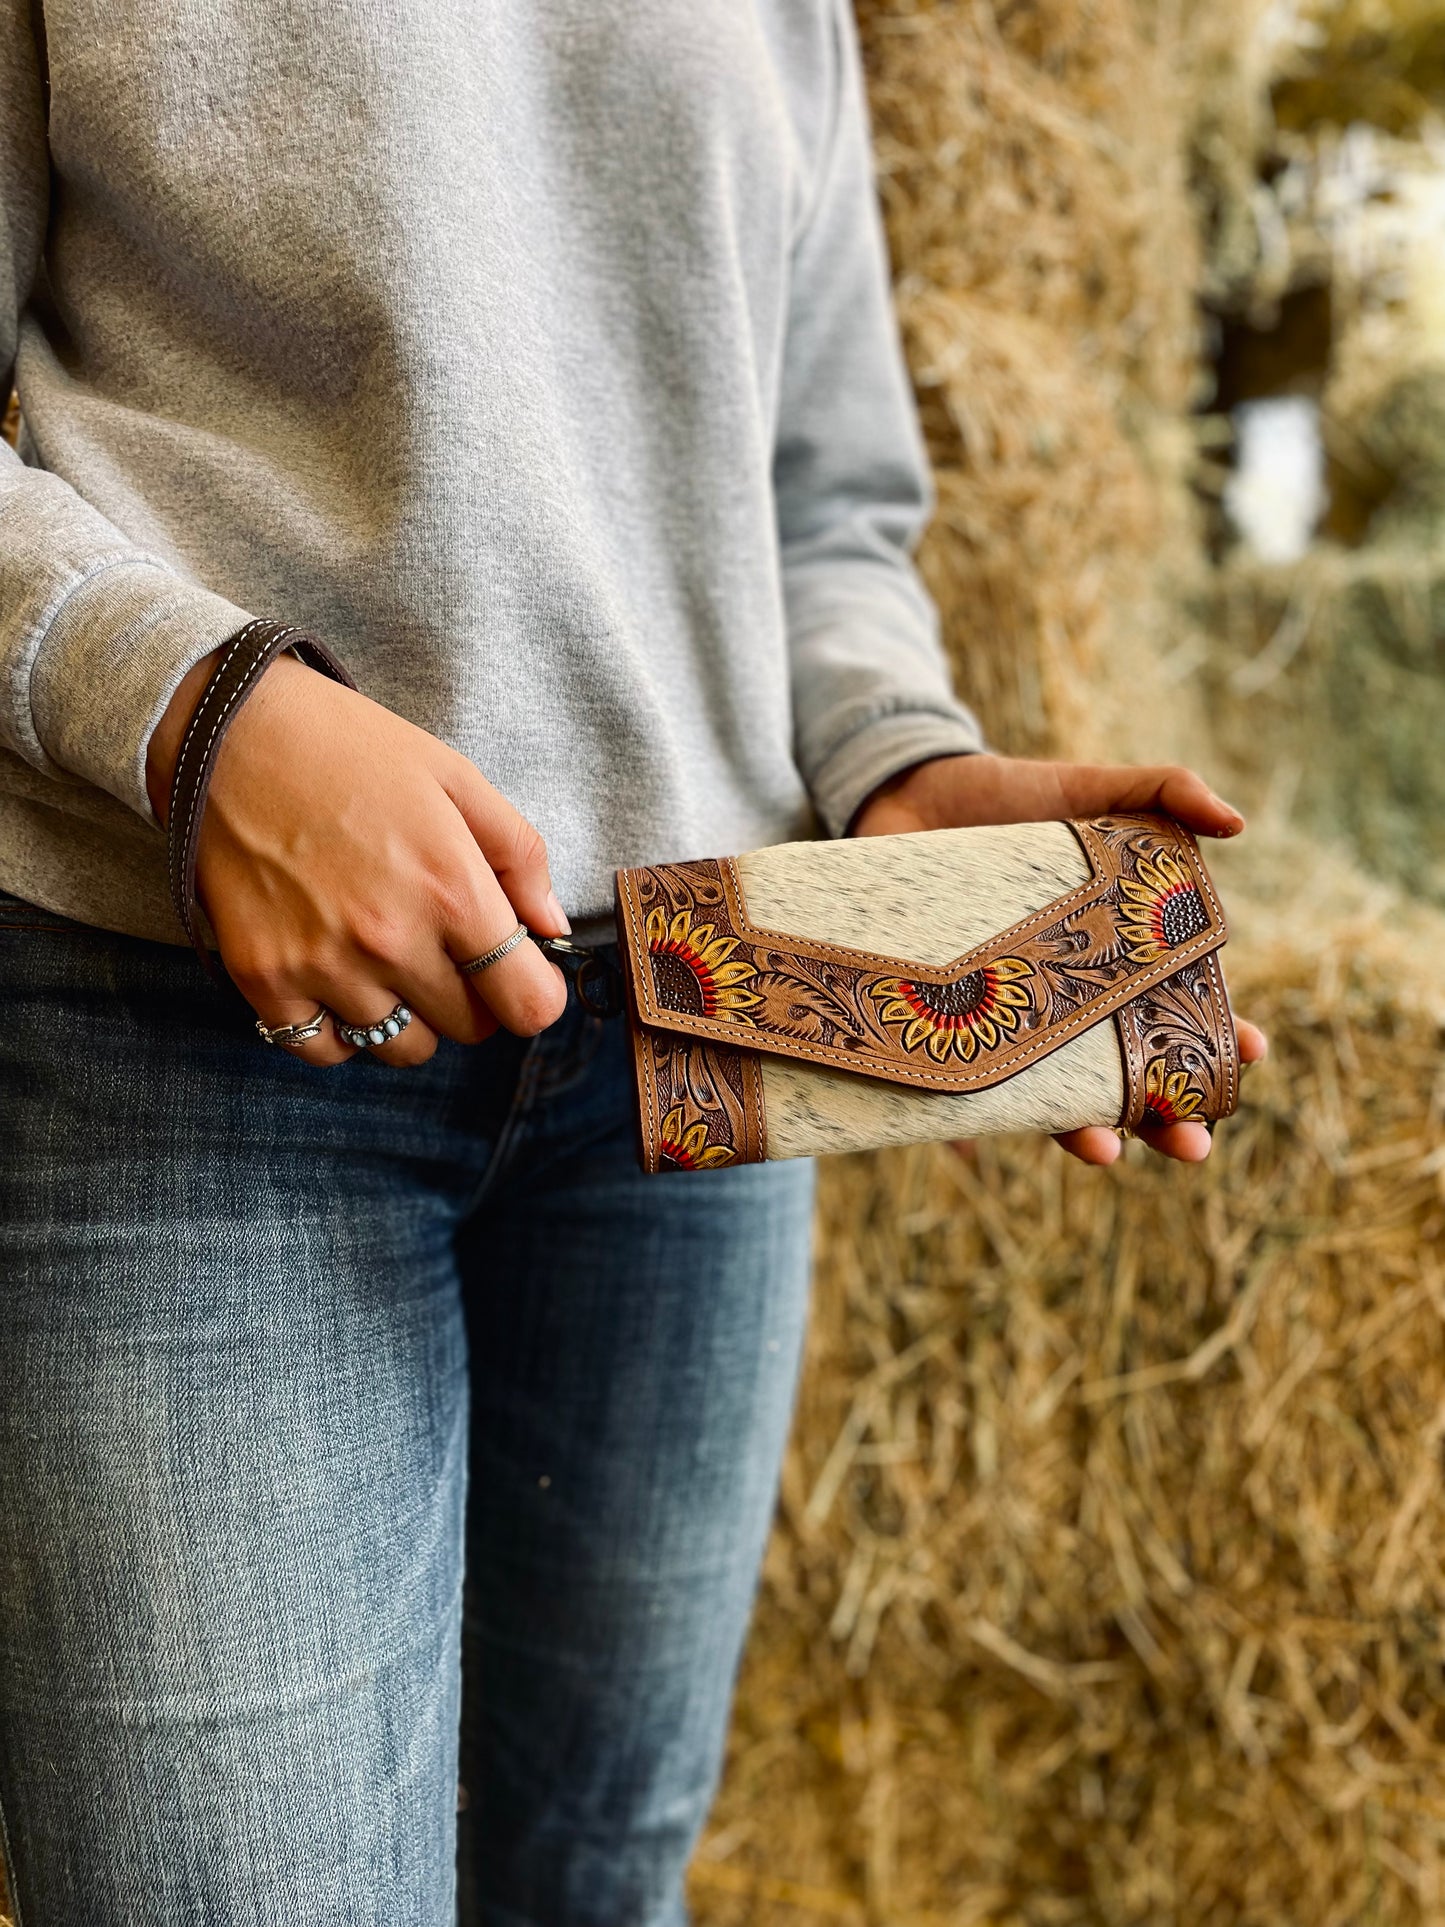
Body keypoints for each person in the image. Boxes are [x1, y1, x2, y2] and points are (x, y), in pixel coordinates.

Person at [0, 3, 1264, 1922]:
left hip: (702, 1048)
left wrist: (897, 764)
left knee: (594, 1883)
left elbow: (819, 508)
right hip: (180, 1048)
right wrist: (196, 713)